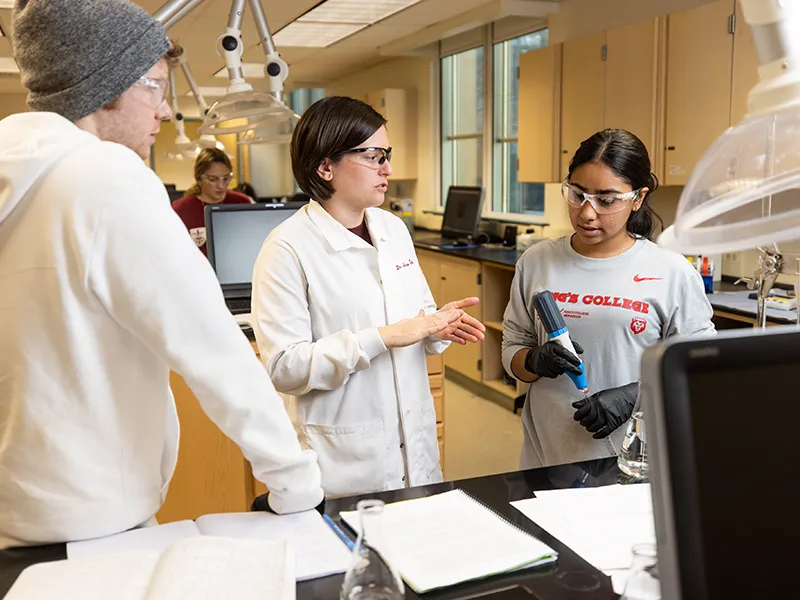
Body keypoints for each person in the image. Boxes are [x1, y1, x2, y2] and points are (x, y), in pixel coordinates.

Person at [0, 0, 323, 551]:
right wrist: (294, 482)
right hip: (96, 519)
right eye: (152, 86)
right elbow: (213, 348)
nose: (166, 110)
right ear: (104, 86)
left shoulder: (18, 175)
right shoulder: (106, 177)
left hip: (19, 509)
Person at [251, 96, 486, 498]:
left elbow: (419, 318)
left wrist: (437, 325)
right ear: (325, 166)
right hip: (345, 464)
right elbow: (284, 367)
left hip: (417, 452)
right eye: (374, 156)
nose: (388, 169)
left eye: (386, 154)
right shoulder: (286, 248)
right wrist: (381, 337)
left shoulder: (393, 229)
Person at [502, 129, 715, 468]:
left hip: (633, 458)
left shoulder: (670, 271)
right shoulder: (536, 261)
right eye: (577, 194)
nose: (587, 213)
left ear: (638, 198)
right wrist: (532, 361)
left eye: (606, 199)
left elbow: (700, 369)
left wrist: (636, 396)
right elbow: (512, 350)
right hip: (546, 453)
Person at [172, 148, 253, 255]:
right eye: (213, 179)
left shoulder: (241, 202)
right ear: (199, 178)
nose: (221, 186)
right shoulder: (180, 209)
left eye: (226, 178)